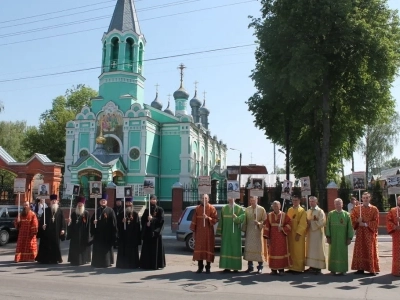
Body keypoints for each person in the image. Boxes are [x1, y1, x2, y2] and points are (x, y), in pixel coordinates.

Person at [350, 192, 380, 275]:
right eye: (364, 198)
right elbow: (352, 217)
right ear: (362, 199)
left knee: (370, 249)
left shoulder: (374, 209)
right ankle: (360, 268)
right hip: (360, 233)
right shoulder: (357, 209)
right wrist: (357, 220)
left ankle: (371, 268)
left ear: (370, 198)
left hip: (370, 233)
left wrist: (365, 224)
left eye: (367, 197)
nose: (365, 199)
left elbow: (376, 221)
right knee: (360, 249)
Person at [237, 195, 267, 274]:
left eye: (253, 200)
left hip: (258, 232)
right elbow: (245, 221)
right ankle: (250, 267)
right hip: (250, 232)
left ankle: (260, 267)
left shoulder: (261, 209)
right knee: (249, 248)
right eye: (251, 200)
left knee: (259, 249)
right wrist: (244, 230)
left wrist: (259, 223)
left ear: (257, 199)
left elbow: (265, 221)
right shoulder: (247, 209)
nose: (252, 201)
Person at [190, 193, 218, 273]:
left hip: (208, 233)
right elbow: (194, 221)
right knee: (199, 248)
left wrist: (208, 218)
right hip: (199, 232)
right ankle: (200, 267)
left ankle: (208, 267)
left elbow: (215, 219)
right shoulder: (197, 208)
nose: (204, 200)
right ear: (200, 199)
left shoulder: (212, 208)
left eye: (205, 198)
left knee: (208, 248)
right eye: (202, 198)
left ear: (208, 199)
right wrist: (194, 232)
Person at [325, 198, 354, 275]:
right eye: (336, 203)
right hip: (333, 238)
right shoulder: (331, 214)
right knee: (332, 252)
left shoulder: (347, 215)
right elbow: (327, 226)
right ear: (334, 205)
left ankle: (342, 269)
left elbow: (350, 227)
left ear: (342, 204)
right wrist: (328, 236)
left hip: (343, 238)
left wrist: (349, 238)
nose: (338, 205)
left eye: (339, 203)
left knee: (342, 253)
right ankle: (333, 269)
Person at [35, 194, 66, 264]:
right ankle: (45, 259)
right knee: (46, 245)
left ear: (57, 201)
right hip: (47, 233)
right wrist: (42, 226)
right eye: (52, 200)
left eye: (55, 200)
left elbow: (63, 222)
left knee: (56, 245)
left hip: (56, 232)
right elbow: (42, 221)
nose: (54, 202)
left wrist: (63, 229)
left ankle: (56, 259)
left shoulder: (60, 211)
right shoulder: (46, 210)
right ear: (50, 201)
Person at [217, 197, 245, 272]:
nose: (230, 198)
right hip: (226, 232)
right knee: (226, 249)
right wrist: (220, 231)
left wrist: (236, 218)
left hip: (235, 233)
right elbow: (221, 221)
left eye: (232, 197)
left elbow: (242, 219)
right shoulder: (224, 208)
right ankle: (227, 267)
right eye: (229, 197)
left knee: (235, 249)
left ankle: (235, 267)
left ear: (235, 198)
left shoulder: (239, 209)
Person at [264, 201, 292, 275]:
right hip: (272, 237)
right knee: (272, 252)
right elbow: (267, 226)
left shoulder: (284, 215)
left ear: (280, 206)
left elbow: (289, 224)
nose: (276, 207)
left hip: (281, 237)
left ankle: (281, 269)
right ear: (272, 207)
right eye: (274, 206)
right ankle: (273, 269)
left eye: (277, 206)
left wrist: (283, 228)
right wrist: (267, 238)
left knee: (281, 252)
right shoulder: (269, 215)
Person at [90, 193, 117, 268]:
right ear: (99, 202)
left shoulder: (110, 210)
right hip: (98, 234)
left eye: (104, 200)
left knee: (106, 249)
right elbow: (92, 221)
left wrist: (114, 233)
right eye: (102, 200)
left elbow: (114, 223)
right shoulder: (97, 211)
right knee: (98, 248)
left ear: (106, 202)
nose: (103, 202)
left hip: (107, 233)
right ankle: (97, 262)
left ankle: (107, 262)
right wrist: (93, 222)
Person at [140, 194, 166, 270]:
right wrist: (146, 223)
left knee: (156, 249)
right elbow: (143, 220)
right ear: (149, 200)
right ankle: (146, 264)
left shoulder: (160, 210)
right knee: (147, 249)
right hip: (148, 233)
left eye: (154, 199)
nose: (153, 200)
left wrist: (152, 219)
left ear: (156, 200)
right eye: (151, 199)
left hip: (156, 233)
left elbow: (161, 220)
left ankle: (157, 264)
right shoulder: (147, 210)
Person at [116, 197, 141, 269]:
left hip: (132, 236)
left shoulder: (135, 214)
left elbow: (137, 226)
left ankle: (133, 264)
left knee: (132, 252)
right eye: (127, 203)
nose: (128, 204)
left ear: (132, 203)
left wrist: (136, 237)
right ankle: (122, 265)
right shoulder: (121, 214)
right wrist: (122, 222)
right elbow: (117, 225)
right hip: (124, 236)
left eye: (129, 203)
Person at [66, 196, 91, 266]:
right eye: (79, 203)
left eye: (81, 204)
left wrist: (88, 236)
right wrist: (69, 222)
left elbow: (88, 225)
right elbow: (70, 225)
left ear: (83, 204)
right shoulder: (74, 213)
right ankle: (73, 260)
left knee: (82, 248)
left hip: (83, 234)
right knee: (74, 247)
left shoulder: (86, 213)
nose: (80, 205)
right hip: (75, 234)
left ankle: (83, 260)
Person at [305, 196, 326, 274]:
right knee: (310, 250)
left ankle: (318, 267)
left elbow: (322, 222)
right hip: (310, 234)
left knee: (317, 250)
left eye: (313, 201)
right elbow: (306, 222)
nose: (311, 203)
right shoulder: (308, 211)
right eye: (310, 201)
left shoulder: (320, 211)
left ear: (316, 202)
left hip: (317, 234)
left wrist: (312, 223)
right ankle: (311, 266)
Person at [286, 195, 307, 273]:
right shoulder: (290, 210)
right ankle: (291, 267)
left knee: (298, 251)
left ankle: (298, 268)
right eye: (293, 200)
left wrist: (298, 233)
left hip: (298, 234)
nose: (295, 202)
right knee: (291, 250)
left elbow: (303, 223)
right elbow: (287, 220)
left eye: (296, 200)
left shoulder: (302, 211)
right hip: (290, 233)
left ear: (299, 201)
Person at [386, 195, 400, 277]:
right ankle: (396, 270)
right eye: (399, 200)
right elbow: (388, 220)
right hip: (397, 235)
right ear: (397, 201)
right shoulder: (393, 210)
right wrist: (395, 226)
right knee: (396, 253)